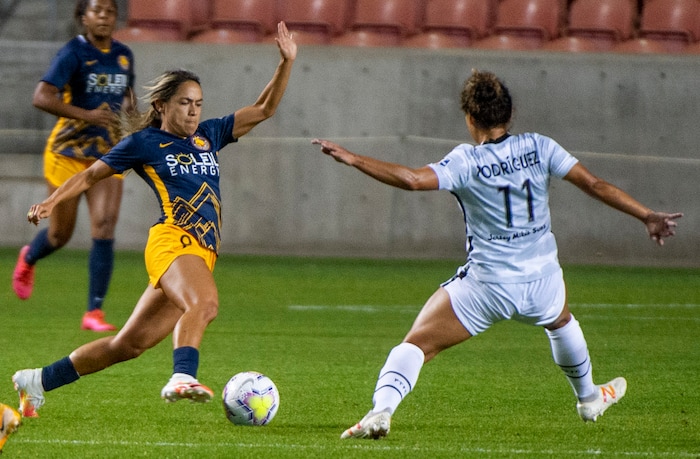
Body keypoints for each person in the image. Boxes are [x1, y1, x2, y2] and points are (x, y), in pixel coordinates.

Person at [312, 70, 683, 439]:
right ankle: (588, 397)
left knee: (417, 345)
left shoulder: (466, 162)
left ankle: (381, 412)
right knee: (561, 321)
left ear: (470, 118)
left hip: (487, 285)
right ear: (509, 113)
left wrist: (354, 158)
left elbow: (412, 180)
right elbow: (595, 184)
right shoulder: (540, 146)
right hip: (542, 282)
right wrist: (646, 215)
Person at [11, 22, 297, 418]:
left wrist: (286, 62)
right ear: (162, 106)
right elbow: (91, 174)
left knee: (127, 345)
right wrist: (52, 200)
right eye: (185, 102)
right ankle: (182, 377)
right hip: (173, 241)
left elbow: (264, 109)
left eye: (198, 102)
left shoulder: (209, 135)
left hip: (201, 250)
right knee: (205, 303)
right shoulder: (144, 142)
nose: (194, 110)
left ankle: (38, 380)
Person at [12, 0, 136, 332]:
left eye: (110, 11)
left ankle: (94, 312)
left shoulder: (124, 55)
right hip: (67, 152)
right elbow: (41, 97)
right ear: (83, 18)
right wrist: (89, 115)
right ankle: (29, 258)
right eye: (97, 11)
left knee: (105, 226)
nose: (104, 17)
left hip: (106, 153)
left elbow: (125, 97)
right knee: (60, 234)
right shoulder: (72, 53)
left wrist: (132, 113)